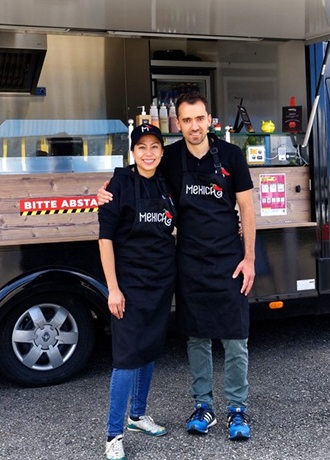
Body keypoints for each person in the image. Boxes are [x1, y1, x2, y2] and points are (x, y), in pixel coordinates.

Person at [99, 92, 256, 441]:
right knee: (197, 338)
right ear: (179, 124)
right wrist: (106, 190)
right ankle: (203, 406)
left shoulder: (231, 155)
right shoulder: (169, 157)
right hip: (188, 261)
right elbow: (137, 174)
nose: (194, 126)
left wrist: (250, 259)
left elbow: (247, 209)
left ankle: (237, 409)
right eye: (186, 120)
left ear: (209, 119)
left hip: (230, 260)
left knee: (235, 338)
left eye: (199, 119)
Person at [98, 123, 176, 460]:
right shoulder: (119, 184)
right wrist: (113, 288)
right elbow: (105, 240)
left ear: (161, 150)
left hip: (160, 281)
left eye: (154, 147)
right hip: (128, 285)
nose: (148, 153)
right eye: (141, 147)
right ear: (132, 152)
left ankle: (137, 415)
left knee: (149, 349)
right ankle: (113, 434)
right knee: (127, 357)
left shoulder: (165, 181)